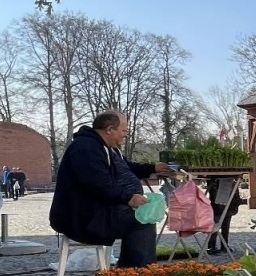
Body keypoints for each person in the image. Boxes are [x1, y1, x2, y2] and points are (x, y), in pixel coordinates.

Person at [50, 111, 171, 267]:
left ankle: (130, 273)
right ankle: (138, 274)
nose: (125, 135)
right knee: (142, 219)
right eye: (124, 131)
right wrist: (129, 198)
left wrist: (153, 168)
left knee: (142, 215)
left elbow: (127, 167)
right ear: (109, 129)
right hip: (81, 217)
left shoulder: (107, 147)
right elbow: (98, 184)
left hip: (97, 211)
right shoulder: (85, 148)